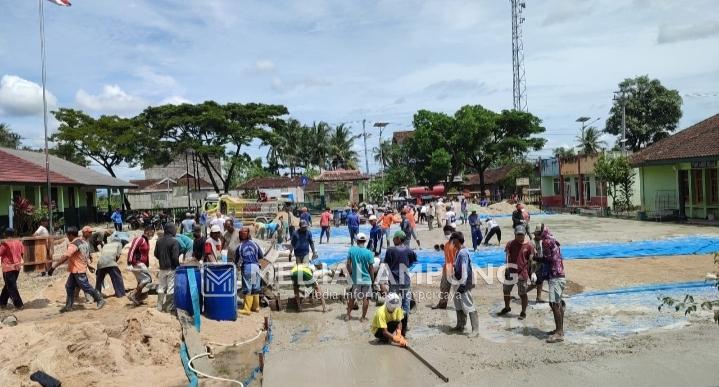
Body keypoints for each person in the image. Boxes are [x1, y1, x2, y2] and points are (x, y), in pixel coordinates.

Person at [48, 227, 106, 313]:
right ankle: (68, 306)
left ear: (71, 235)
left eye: (68, 236)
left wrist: (53, 267)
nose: (67, 237)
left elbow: (65, 256)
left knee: (86, 287)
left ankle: (100, 299)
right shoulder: (84, 242)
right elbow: (85, 256)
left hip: (78, 270)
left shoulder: (73, 244)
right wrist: (88, 266)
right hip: (76, 270)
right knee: (69, 287)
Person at [533, 224, 567, 343]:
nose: (535, 236)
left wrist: (536, 259)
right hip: (559, 274)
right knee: (556, 303)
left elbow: (548, 259)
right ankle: (559, 329)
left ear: (541, 233)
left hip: (555, 276)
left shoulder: (546, 242)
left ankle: (559, 333)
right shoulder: (553, 239)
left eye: (536, 234)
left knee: (554, 304)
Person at [382, 231, 417, 336]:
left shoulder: (390, 250)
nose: (393, 240)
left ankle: (393, 325)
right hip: (405, 280)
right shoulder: (409, 250)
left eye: (394, 238)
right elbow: (412, 261)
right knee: (406, 303)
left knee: (393, 302)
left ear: (398, 239)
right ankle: (404, 327)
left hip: (394, 280)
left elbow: (386, 264)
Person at [498, 225, 535, 320]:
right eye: (518, 234)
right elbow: (507, 256)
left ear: (525, 235)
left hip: (522, 273)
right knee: (506, 290)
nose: (520, 236)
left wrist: (533, 272)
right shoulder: (510, 244)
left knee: (522, 294)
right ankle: (507, 307)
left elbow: (531, 260)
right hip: (510, 272)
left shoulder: (529, 246)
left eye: (522, 235)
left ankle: (523, 312)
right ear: (515, 234)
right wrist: (506, 267)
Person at [449, 231, 479, 336]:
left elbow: (464, 270)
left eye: (453, 240)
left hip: (463, 282)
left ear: (457, 240)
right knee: (458, 305)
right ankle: (460, 325)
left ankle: (475, 330)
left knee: (468, 304)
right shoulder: (459, 251)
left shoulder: (463, 253)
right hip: (457, 281)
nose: (452, 242)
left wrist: (462, 284)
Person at [345, 233, 375, 322]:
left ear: (357, 241)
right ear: (365, 241)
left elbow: (348, 264)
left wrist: (351, 273)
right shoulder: (369, 253)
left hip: (356, 279)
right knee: (366, 298)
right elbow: (371, 268)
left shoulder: (352, 250)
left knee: (353, 297)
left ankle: (348, 315)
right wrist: (372, 280)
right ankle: (362, 317)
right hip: (366, 279)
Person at [236, 227, 263, 316]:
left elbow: (236, 260)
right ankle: (256, 307)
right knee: (255, 287)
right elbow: (261, 255)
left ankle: (247, 309)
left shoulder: (239, 247)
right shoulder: (255, 244)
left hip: (247, 268)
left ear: (240, 236)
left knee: (247, 288)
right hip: (256, 267)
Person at [155, 223, 180, 313]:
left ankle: (159, 306)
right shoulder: (174, 242)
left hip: (162, 268)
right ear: (171, 230)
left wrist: (162, 259)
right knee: (170, 287)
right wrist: (178, 265)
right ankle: (168, 308)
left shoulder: (159, 241)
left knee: (161, 286)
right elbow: (175, 257)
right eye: (174, 229)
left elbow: (156, 254)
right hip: (171, 268)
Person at [127, 226, 154, 306]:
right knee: (147, 279)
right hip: (137, 263)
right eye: (151, 232)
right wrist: (129, 262)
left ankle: (137, 298)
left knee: (140, 281)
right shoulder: (139, 239)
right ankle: (133, 294)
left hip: (142, 264)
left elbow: (146, 254)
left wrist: (147, 264)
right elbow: (132, 249)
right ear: (147, 231)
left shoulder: (146, 241)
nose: (152, 234)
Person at [95, 233, 127, 298]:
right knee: (117, 278)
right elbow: (118, 255)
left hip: (100, 263)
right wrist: (114, 262)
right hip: (111, 263)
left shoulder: (106, 245)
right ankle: (120, 294)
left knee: (99, 280)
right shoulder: (119, 244)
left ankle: (96, 296)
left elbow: (103, 254)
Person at [431, 233, 457, 310]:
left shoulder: (457, 246)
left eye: (448, 233)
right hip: (447, 269)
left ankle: (461, 306)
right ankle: (442, 304)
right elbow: (447, 258)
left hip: (455, 270)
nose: (447, 235)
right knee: (444, 288)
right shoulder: (446, 245)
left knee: (457, 289)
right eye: (446, 233)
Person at [0, 228, 24, 310]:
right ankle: (2, 302)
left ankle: (19, 305)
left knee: (11, 287)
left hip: (8, 268)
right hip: (17, 268)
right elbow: (23, 253)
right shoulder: (19, 242)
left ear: (5, 234)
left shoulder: (5, 243)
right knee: (8, 286)